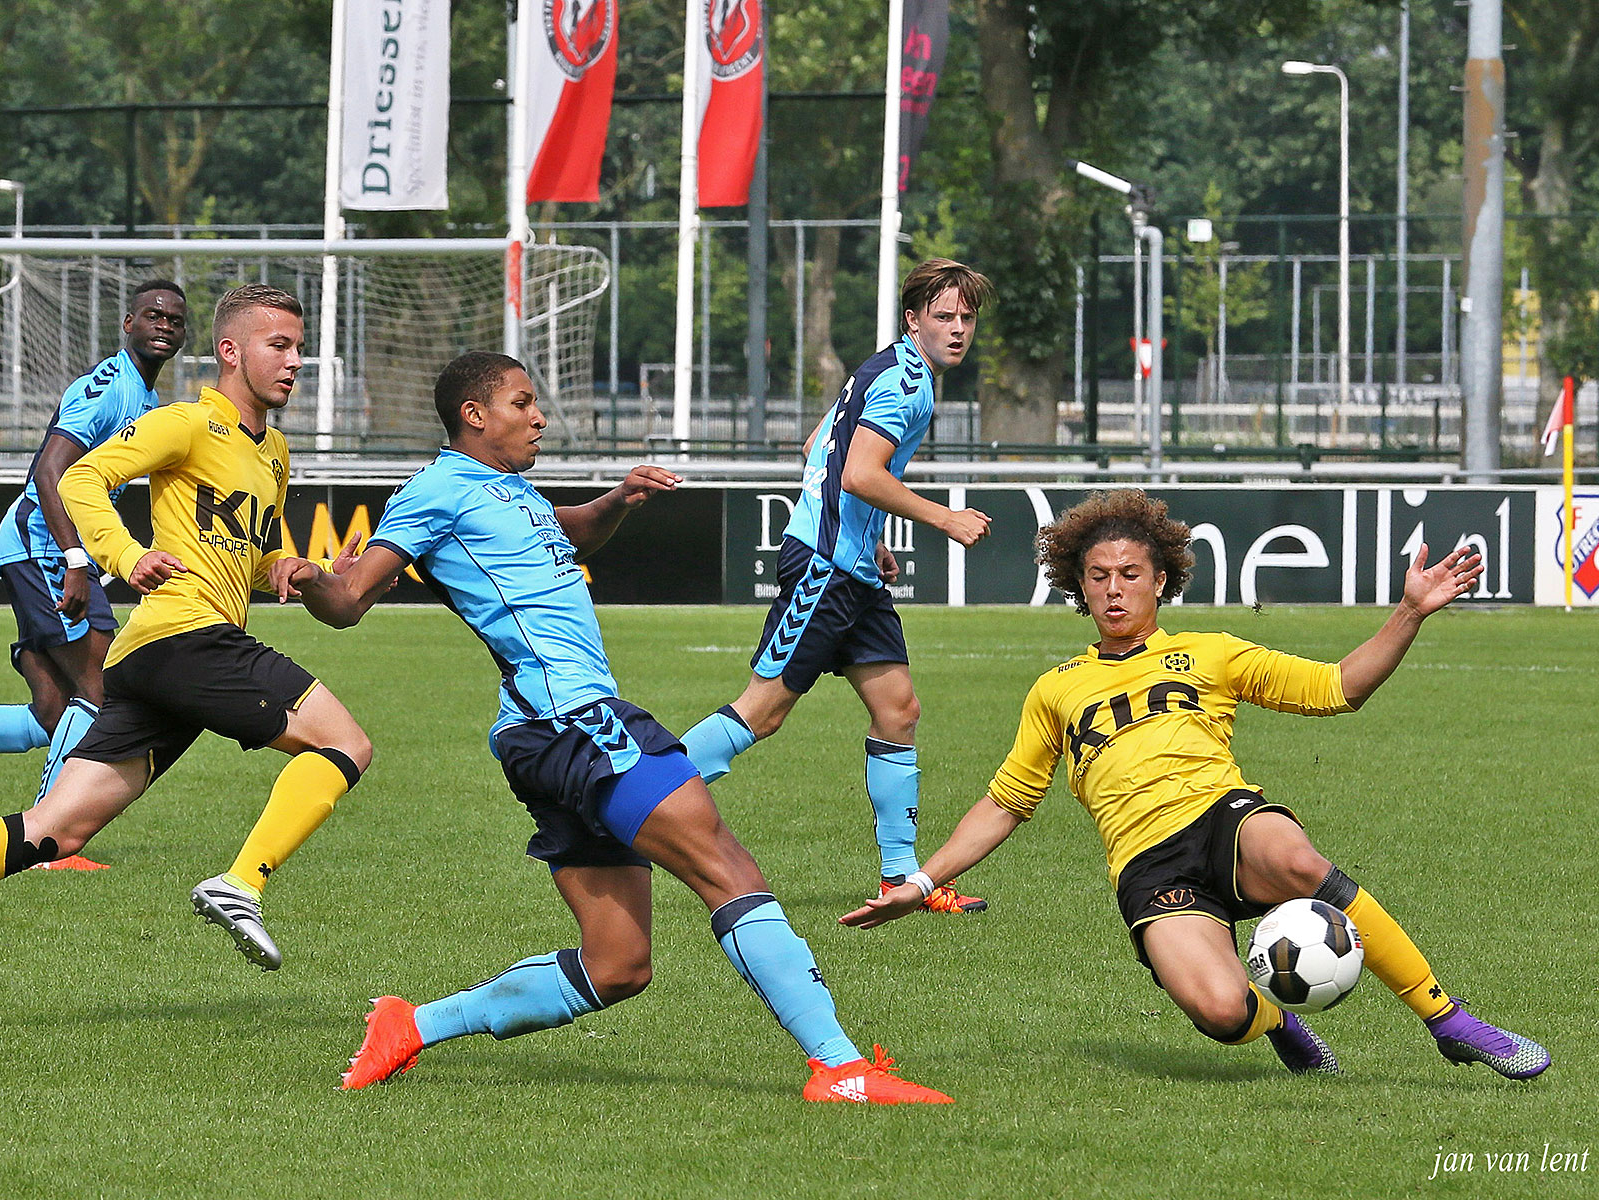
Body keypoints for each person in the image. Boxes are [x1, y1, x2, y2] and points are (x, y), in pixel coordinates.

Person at [286, 350, 950, 1104]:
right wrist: (313, 581)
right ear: (473, 415)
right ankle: (840, 1068)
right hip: (575, 722)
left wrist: (618, 499)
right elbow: (350, 598)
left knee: (618, 966)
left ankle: (411, 1025)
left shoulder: (506, 487)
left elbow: (565, 531)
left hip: (539, 732)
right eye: (521, 403)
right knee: (726, 867)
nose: (539, 417)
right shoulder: (435, 491)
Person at [844, 488, 1551, 1081]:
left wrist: (1409, 613)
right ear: (1078, 585)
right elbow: (1005, 803)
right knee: (1219, 1011)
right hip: (1148, 867)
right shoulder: (1055, 689)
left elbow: (1339, 687)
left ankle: (1450, 1021)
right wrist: (921, 882)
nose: (1114, 589)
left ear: (1160, 580)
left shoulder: (1210, 653)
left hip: (1221, 818)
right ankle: (1276, 1022)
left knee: (1295, 857)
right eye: (1098, 576)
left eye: (1130, 573)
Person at [0, 284, 371, 973]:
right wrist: (125, 555)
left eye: (299, 347)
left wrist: (304, 570)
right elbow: (79, 478)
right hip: (187, 637)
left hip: (156, 658)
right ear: (230, 351)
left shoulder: (275, 451)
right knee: (346, 743)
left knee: (56, 830)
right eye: (279, 345)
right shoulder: (187, 422)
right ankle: (241, 884)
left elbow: (246, 559)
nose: (295, 361)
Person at [680, 258, 995, 914]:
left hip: (853, 571)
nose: (958, 328)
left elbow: (816, 447)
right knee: (762, 712)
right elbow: (857, 473)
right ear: (913, 320)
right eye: (944, 316)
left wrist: (869, 537)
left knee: (898, 710)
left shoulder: (890, 369)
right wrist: (944, 518)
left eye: (966, 317)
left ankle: (898, 879)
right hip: (824, 570)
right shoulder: (905, 384)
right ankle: (628, 803)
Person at [0, 280, 189, 869]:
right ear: (128, 323)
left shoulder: (146, 398)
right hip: (43, 545)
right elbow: (51, 473)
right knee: (98, 687)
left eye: (175, 320)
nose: (164, 325)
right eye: (153, 315)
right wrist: (76, 561)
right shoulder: (106, 385)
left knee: (53, 709)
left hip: (52, 548)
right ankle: (48, 842)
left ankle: (45, 833)